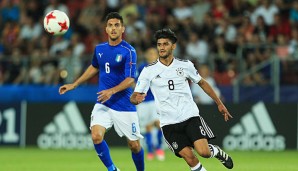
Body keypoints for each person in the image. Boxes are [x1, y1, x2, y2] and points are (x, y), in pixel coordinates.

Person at [130, 28, 234, 171]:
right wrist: (136, 99)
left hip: (189, 116)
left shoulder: (185, 65)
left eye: (165, 44)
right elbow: (135, 96)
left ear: (173, 46)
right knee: (189, 158)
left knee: (203, 152)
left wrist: (219, 103)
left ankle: (216, 151)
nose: (161, 47)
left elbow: (202, 82)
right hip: (168, 123)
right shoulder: (148, 71)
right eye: (159, 44)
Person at [59, 12, 144, 171]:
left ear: (122, 29)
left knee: (134, 145)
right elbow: (94, 67)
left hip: (124, 103)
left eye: (117, 25)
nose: (113, 28)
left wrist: (111, 91)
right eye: (110, 25)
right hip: (103, 102)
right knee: (96, 136)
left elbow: (130, 79)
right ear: (106, 29)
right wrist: (75, 84)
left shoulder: (129, 51)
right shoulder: (99, 49)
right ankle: (112, 169)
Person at [136, 47, 165, 161]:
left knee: (158, 124)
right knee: (147, 126)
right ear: (147, 56)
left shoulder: (161, 67)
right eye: (149, 53)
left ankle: (158, 148)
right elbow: (135, 82)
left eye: (153, 53)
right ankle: (150, 151)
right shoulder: (141, 67)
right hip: (143, 102)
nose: (151, 55)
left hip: (155, 101)